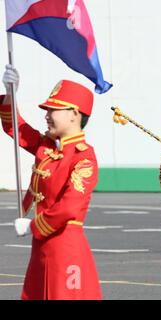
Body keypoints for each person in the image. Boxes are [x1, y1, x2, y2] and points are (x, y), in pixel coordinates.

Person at [0, 65, 101, 300]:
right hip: (42, 248)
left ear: (74, 114)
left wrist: (33, 226)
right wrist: (10, 93)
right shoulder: (46, 147)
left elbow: (68, 208)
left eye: (53, 110)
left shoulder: (83, 157)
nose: (46, 115)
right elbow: (15, 128)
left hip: (66, 249)